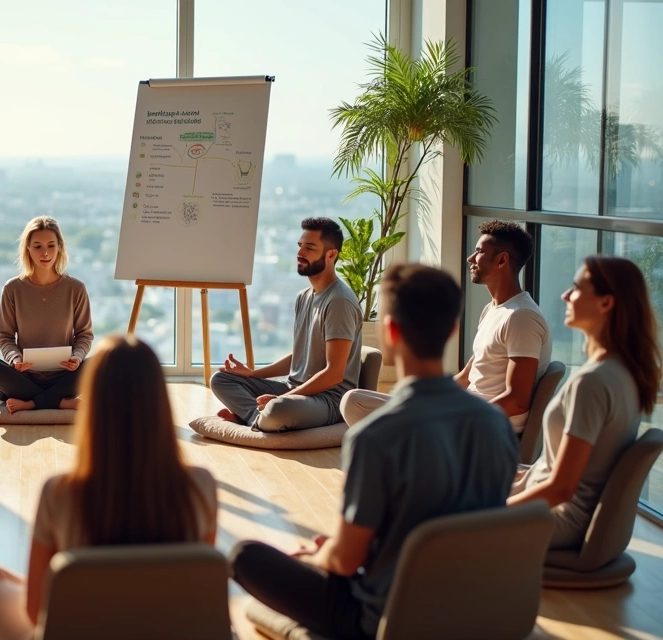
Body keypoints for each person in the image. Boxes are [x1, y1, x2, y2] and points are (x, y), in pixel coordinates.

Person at [230, 264, 518, 639]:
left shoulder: (375, 437)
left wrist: (320, 556)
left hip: (387, 618)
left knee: (244, 556)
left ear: (390, 332)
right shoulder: (496, 425)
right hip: (475, 606)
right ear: (451, 329)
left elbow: (346, 561)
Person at [0, 335, 217, 640]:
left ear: (93, 401)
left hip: (76, 631)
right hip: (169, 630)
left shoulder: (59, 492)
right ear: (159, 400)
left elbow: (35, 613)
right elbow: (202, 585)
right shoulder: (201, 485)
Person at [509, 256, 661, 548]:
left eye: (576, 288)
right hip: (549, 504)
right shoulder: (625, 371)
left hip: (556, 519)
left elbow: (561, 489)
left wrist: (495, 511)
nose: (565, 295)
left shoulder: (592, 382)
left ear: (605, 303)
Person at [341, 220, 550, 432]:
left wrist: (454, 411)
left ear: (502, 260)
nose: (470, 258)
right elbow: (467, 376)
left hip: (481, 426)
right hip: (462, 410)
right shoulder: (493, 310)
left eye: (479, 251)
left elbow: (517, 401)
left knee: (358, 404)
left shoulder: (522, 317)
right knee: (358, 400)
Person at [211, 217, 363, 431]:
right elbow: (299, 355)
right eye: (300, 246)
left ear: (331, 254)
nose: (300, 253)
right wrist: (253, 374)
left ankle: (254, 417)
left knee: (280, 410)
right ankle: (258, 418)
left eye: (310, 247)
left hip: (328, 400)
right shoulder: (304, 296)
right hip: (294, 388)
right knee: (221, 379)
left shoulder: (339, 301)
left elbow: (334, 374)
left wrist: (281, 399)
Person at [0, 216, 92, 413]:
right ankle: (58, 401)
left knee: (103, 363)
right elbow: (4, 336)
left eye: (51, 245)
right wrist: (15, 359)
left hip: (64, 376)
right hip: (24, 377)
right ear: (27, 248)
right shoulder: (12, 289)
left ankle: (32, 402)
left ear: (60, 247)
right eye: (37, 246)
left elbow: (84, 334)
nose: (45, 252)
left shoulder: (76, 288)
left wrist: (77, 357)